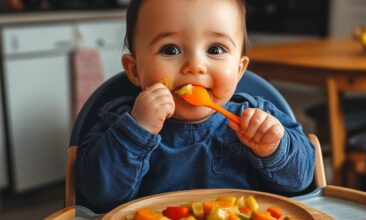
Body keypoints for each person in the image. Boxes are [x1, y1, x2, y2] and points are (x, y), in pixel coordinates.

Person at [75, 0, 315, 213]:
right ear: (135, 70)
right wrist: (136, 130)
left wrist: (274, 148)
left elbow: (301, 180)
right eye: (170, 49)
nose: (195, 65)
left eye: (215, 49)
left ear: (239, 69)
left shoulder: (257, 117)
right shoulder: (120, 121)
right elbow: (98, 195)